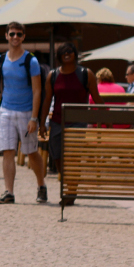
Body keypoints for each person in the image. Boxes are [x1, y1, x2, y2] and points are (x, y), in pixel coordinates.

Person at [0, 21, 47, 204]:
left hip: (26, 112)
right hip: (6, 110)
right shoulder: (0, 60)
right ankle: (9, 192)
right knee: (7, 151)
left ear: (24, 37)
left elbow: (37, 90)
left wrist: (34, 117)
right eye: (12, 34)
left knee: (31, 151)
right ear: (6, 36)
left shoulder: (31, 60)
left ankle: (41, 185)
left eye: (19, 34)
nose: (15, 37)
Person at [43, 44, 96, 180]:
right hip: (56, 121)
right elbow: (47, 100)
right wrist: (42, 123)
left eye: (69, 51)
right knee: (57, 156)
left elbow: (97, 98)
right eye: (63, 52)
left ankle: (72, 188)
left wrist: (106, 119)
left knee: (74, 156)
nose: (66, 54)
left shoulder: (86, 74)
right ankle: (67, 181)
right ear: (59, 56)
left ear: (75, 54)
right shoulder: (53, 75)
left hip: (78, 121)